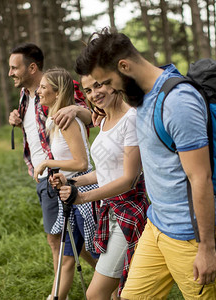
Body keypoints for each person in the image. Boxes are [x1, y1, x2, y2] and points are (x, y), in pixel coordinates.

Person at [74, 28, 216, 300]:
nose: (109, 90)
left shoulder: (177, 102)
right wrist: (79, 110)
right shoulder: (143, 96)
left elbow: (200, 178)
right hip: (156, 226)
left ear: (124, 67)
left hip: (190, 235)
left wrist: (207, 248)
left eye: (108, 82)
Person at [7, 44, 96, 299]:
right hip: (46, 177)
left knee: (64, 241)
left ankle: (64, 292)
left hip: (67, 175)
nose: (11, 73)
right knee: (65, 240)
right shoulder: (25, 96)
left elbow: (95, 115)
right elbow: (34, 134)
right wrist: (16, 119)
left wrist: (77, 109)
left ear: (31, 67)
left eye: (15, 67)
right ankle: (105, 276)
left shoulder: (59, 87)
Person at [52, 74, 148, 300]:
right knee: (116, 293)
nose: (93, 94)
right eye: (87, 90)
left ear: (113, 83)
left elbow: (128, 178)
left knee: (96, 294)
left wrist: (84, 198)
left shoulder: (131, 119)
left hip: (128, 213)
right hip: (109, 211)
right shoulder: (104, 120)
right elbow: (104, 172)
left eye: (98, 85)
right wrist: (71, 181)